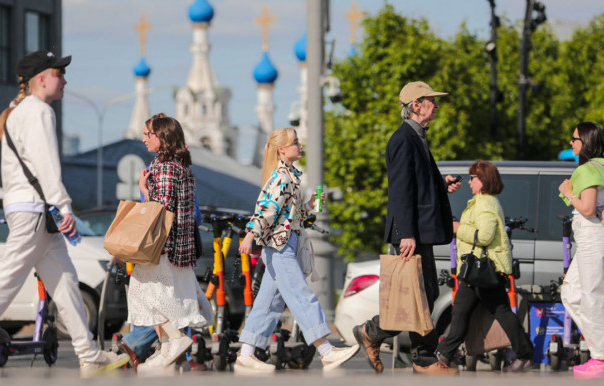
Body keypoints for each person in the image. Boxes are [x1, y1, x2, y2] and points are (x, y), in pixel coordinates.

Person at [0, 50, 129, 377]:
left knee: (66, 283)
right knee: (8, 280)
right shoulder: (40, 112)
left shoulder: (17, 113)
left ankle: (88, 354)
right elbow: (47, 165)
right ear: (41, 79)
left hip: (29, 209)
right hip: (35, 210)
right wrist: (63, 206)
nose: (65, 80)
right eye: (59, 74)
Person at [352, 81, 460, 375]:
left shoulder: (417, 137)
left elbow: (417, 183)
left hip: (420, 231)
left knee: (424, 293)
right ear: (416, 105)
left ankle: (381, 337)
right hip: (412, 233)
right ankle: (416, 354)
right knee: (418, 294)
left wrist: (441, 184)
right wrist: (405, 234)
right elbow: (400, 191)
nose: (436, 105)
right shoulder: (403, 140)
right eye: (431, 101)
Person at [234, 128, 359, 374]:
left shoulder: (289, 175)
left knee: (268, 303)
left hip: (284, 243)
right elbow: (266, 210)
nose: (300, 146)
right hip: (280, 247)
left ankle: (246, 354)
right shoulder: (280, 176)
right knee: (301, 296)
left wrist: (309, 206)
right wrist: (250, 234)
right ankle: (326, 351)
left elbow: (288, 214)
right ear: (282, 149)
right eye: (295, 142)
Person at [117, 113, 212, 371]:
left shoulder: (164, 166)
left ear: (162, 137)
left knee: (145, 293)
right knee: (168, 297)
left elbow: (162, 210)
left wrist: (145, 192)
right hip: (179, 246)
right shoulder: (181, 165)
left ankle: (176, 341)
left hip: (162, 246)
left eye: (148, 134)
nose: (144, 139)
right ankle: (169, 353)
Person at [434, 160, 534, 371]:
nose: (469, 182)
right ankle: (444, 355)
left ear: (484, 180)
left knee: (473, 312)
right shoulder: (482, 201)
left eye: (473, 178)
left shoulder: (486, 203)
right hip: (480, 269)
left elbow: (485, 236)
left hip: (481, 269)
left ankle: (443, 355)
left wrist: (457, 228)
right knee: (479, 311)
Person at [558, 122, 604, 379]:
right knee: (571, 292)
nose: (571, 143)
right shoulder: (602, 167)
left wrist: (567, 192)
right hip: (598, 237)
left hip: (593, 238)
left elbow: (586, 208)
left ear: (584, 142)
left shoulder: (587, 169)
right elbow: (599, 209)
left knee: (591, 295)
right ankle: (603, 343)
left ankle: (603, 357)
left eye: (574, 138)